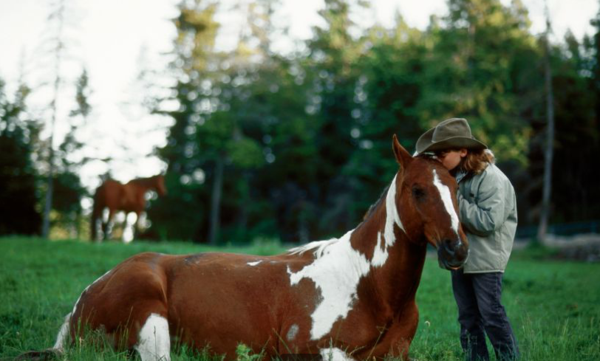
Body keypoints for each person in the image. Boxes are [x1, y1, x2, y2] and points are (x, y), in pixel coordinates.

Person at [415, 118, 520, 361]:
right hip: (461, 258)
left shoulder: (493, 179)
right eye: (436, 153)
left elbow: (488, 222)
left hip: (486, 259)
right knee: (467, 318)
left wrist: (455, 202)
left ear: (463, 151)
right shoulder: (454, 177)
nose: (439, 158)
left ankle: (509, 358)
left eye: (443, 152)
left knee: (491, 315)